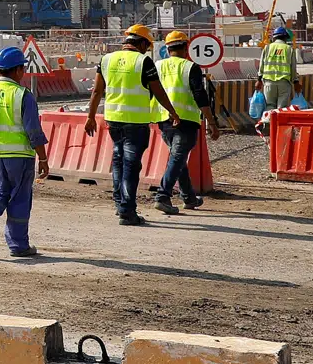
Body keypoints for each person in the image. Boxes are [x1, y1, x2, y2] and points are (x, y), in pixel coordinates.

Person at [85, 24, 180, 226]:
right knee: (130, 165)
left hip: (113, 120)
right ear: (143, 42)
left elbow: (96, 91)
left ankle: (121, 205)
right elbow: (159, 91)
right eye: (147, 45)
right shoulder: (143, 61)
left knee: (118, 161)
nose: (147, 49)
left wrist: (91, 116)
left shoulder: (106, 59)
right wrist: (172, 112)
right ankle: (128, 211)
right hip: (135, 123)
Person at [0, 46, 51, 258]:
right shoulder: (22, 95)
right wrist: (42, 158)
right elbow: (34, 131)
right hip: (20, 157)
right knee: (19, 199)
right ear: (17, 70)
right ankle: (18, 245)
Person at [153, 31, 221, 215]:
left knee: (178, 158)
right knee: (178, 158)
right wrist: (212, 123)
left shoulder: (157, 66)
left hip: (163, 119)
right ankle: (162, 195)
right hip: (185, 120)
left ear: (167, 49)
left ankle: (188, 197)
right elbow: (200, 96)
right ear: (185, 47)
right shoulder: (189, 67)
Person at [258, 26, 300, 113]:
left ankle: (269, 125)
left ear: (274, 37)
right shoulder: (289, 49)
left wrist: (258, 80)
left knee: (269, 106)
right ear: (285, 38)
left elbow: (261, 65)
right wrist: (295, 82)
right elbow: (293, 68)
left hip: (269, 82)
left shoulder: (268, 48)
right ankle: (279, 126)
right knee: (282, 109)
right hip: (284, 83)